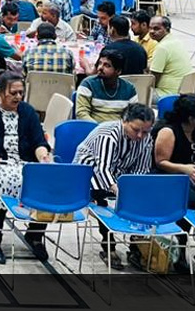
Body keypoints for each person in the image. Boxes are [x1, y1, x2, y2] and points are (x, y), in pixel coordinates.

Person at [0, 72, 52, 264]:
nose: (18, 97)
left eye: (21, 93)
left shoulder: (28, 112)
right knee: (0, 181)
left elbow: (39, 142)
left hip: (21, 161)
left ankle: (35, 235)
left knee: (44, 179)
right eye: (13, 93)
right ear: (1, 92)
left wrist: (43, 157)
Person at [72, 104, 156, 270]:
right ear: (125, 121)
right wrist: (119, 191)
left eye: (145, 131)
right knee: (102, 199)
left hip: (119, 175)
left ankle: (136, 246)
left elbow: (141, 170)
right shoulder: (108, 134)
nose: (140, 135)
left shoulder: (147, 140)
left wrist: (133, 191)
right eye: (136, 130)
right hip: (89, 173)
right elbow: (103, 169)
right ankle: (108, 246)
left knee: (141, 197)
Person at [153, 94, 195, 275]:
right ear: (191, 119)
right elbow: (160, 162)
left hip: (191, 175)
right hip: (168, 177)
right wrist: (184, 168)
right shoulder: (168, 132)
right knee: (191, 202)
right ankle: (181, 249)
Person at [74, 49, 137, 122]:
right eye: (100, 63)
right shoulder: (88, 84)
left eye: (107, 65)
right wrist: (100, 127)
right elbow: (81, 113)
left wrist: (120, 127)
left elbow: (133, 115)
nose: (100, 67)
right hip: (93, 127)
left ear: (118, 71)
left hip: (119, 127)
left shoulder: (129, 89)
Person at [148, 15, 191, 97]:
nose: (152, 31)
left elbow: (153, 78)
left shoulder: (162, 47)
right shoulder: (175, 41)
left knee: (134, 95)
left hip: (166, 94)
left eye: (156, 29)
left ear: (167, 29)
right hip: (183, 89)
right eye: (150, 28)